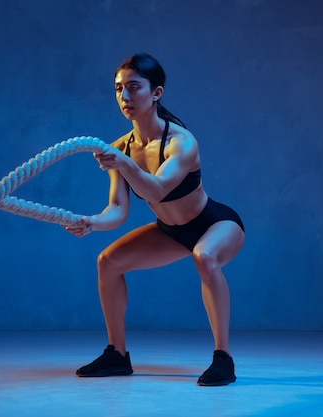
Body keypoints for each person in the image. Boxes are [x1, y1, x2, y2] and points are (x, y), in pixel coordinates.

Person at [64, 53, 245, 386]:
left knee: (204, 257)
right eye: (119, 89)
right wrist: (91, 223)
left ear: (156, 93)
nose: (125, 97)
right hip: (171, 232)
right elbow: (117, 210)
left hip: (215, 224)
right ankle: (117, 355)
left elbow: (159, 190)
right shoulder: (121, 147)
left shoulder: (181, 142)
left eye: (134, 88)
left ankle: (224, 359)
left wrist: (123, 163)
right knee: (107, 261)